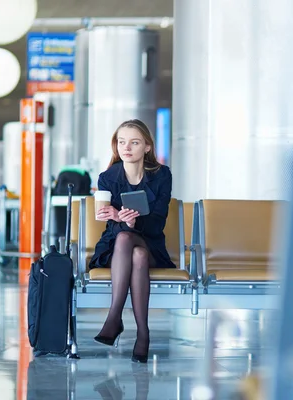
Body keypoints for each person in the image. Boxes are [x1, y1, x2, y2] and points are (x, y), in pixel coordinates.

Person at [89, 119, 176, 363]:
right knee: (129, 244)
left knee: (137, 246)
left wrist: (135, 222)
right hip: (117, 246)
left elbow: (159, 220)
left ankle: (114, 318)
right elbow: (110, 225)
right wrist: (120, 220)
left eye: (134, 142)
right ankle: (143, 334)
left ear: (147, 147)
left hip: (151, 244)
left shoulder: (161, 175)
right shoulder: (107, 177)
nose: (126, 148)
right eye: (122, 142)